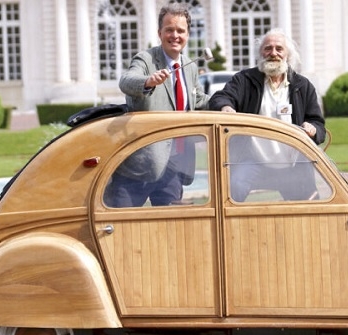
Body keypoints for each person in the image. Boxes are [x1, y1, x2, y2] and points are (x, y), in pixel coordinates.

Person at [107, 2, 208, 207]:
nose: (175, 35)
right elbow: (126, 81)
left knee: (170, 230)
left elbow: (198, 102)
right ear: (159, 33)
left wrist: (229, 101)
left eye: (180, 30)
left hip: (175, 167)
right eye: (169, 29)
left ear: (188, 35)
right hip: (140, 167)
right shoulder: (145, 59)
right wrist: (147, 82)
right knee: (120, 228)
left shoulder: (189, 67)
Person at [209, 28, 326, 201]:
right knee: (233, 189)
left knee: (308, 210)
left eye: (279, 49)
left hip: (293, 166)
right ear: (260, 53)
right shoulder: (244, 80)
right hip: (253, 162)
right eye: (268, 48)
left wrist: (313, 128)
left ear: (288, 55)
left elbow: (318, 124)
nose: (273, 53)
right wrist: (226, 107)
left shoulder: (303, 85)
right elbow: (219, 98)